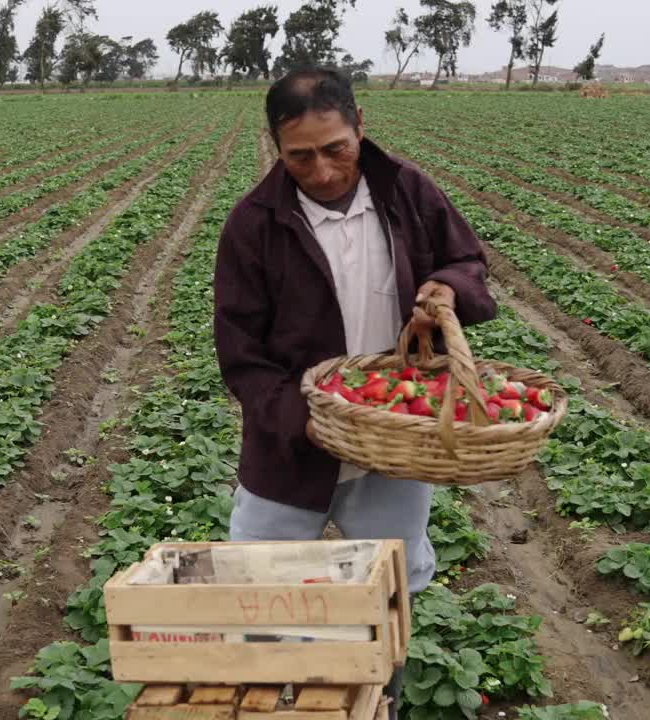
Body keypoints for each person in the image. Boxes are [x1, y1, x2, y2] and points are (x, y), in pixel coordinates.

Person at [212, 68, 498, 716]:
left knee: (392, 584)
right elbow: (242, 358)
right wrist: (307, 421)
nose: (321, 170)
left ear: (360, 126)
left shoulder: (406, 193)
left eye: (334, 148)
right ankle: (274, 698)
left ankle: (380, 700)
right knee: (259, 578)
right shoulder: (253, 226)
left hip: (393, 438)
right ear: (277, 148)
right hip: (290, 448)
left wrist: (445, 290)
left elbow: (467, 262)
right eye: (300, 156)